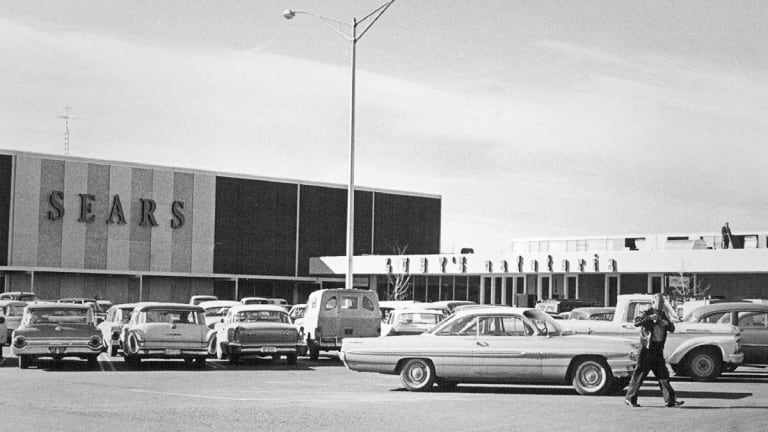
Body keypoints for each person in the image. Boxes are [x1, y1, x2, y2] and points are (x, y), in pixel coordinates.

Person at [625, 293, 684, 408]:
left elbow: (672, 328)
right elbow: (636, 322)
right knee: (640, 373)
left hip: (657, 348)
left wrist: (667, 324)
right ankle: (630, 398)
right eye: (659, 302)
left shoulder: (663, 314)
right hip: (646, 348)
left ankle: (670, 400)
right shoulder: (646, 312)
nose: (661, 305)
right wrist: (649, 318)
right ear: (653, 303)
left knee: (663, 374)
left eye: (662, 303)